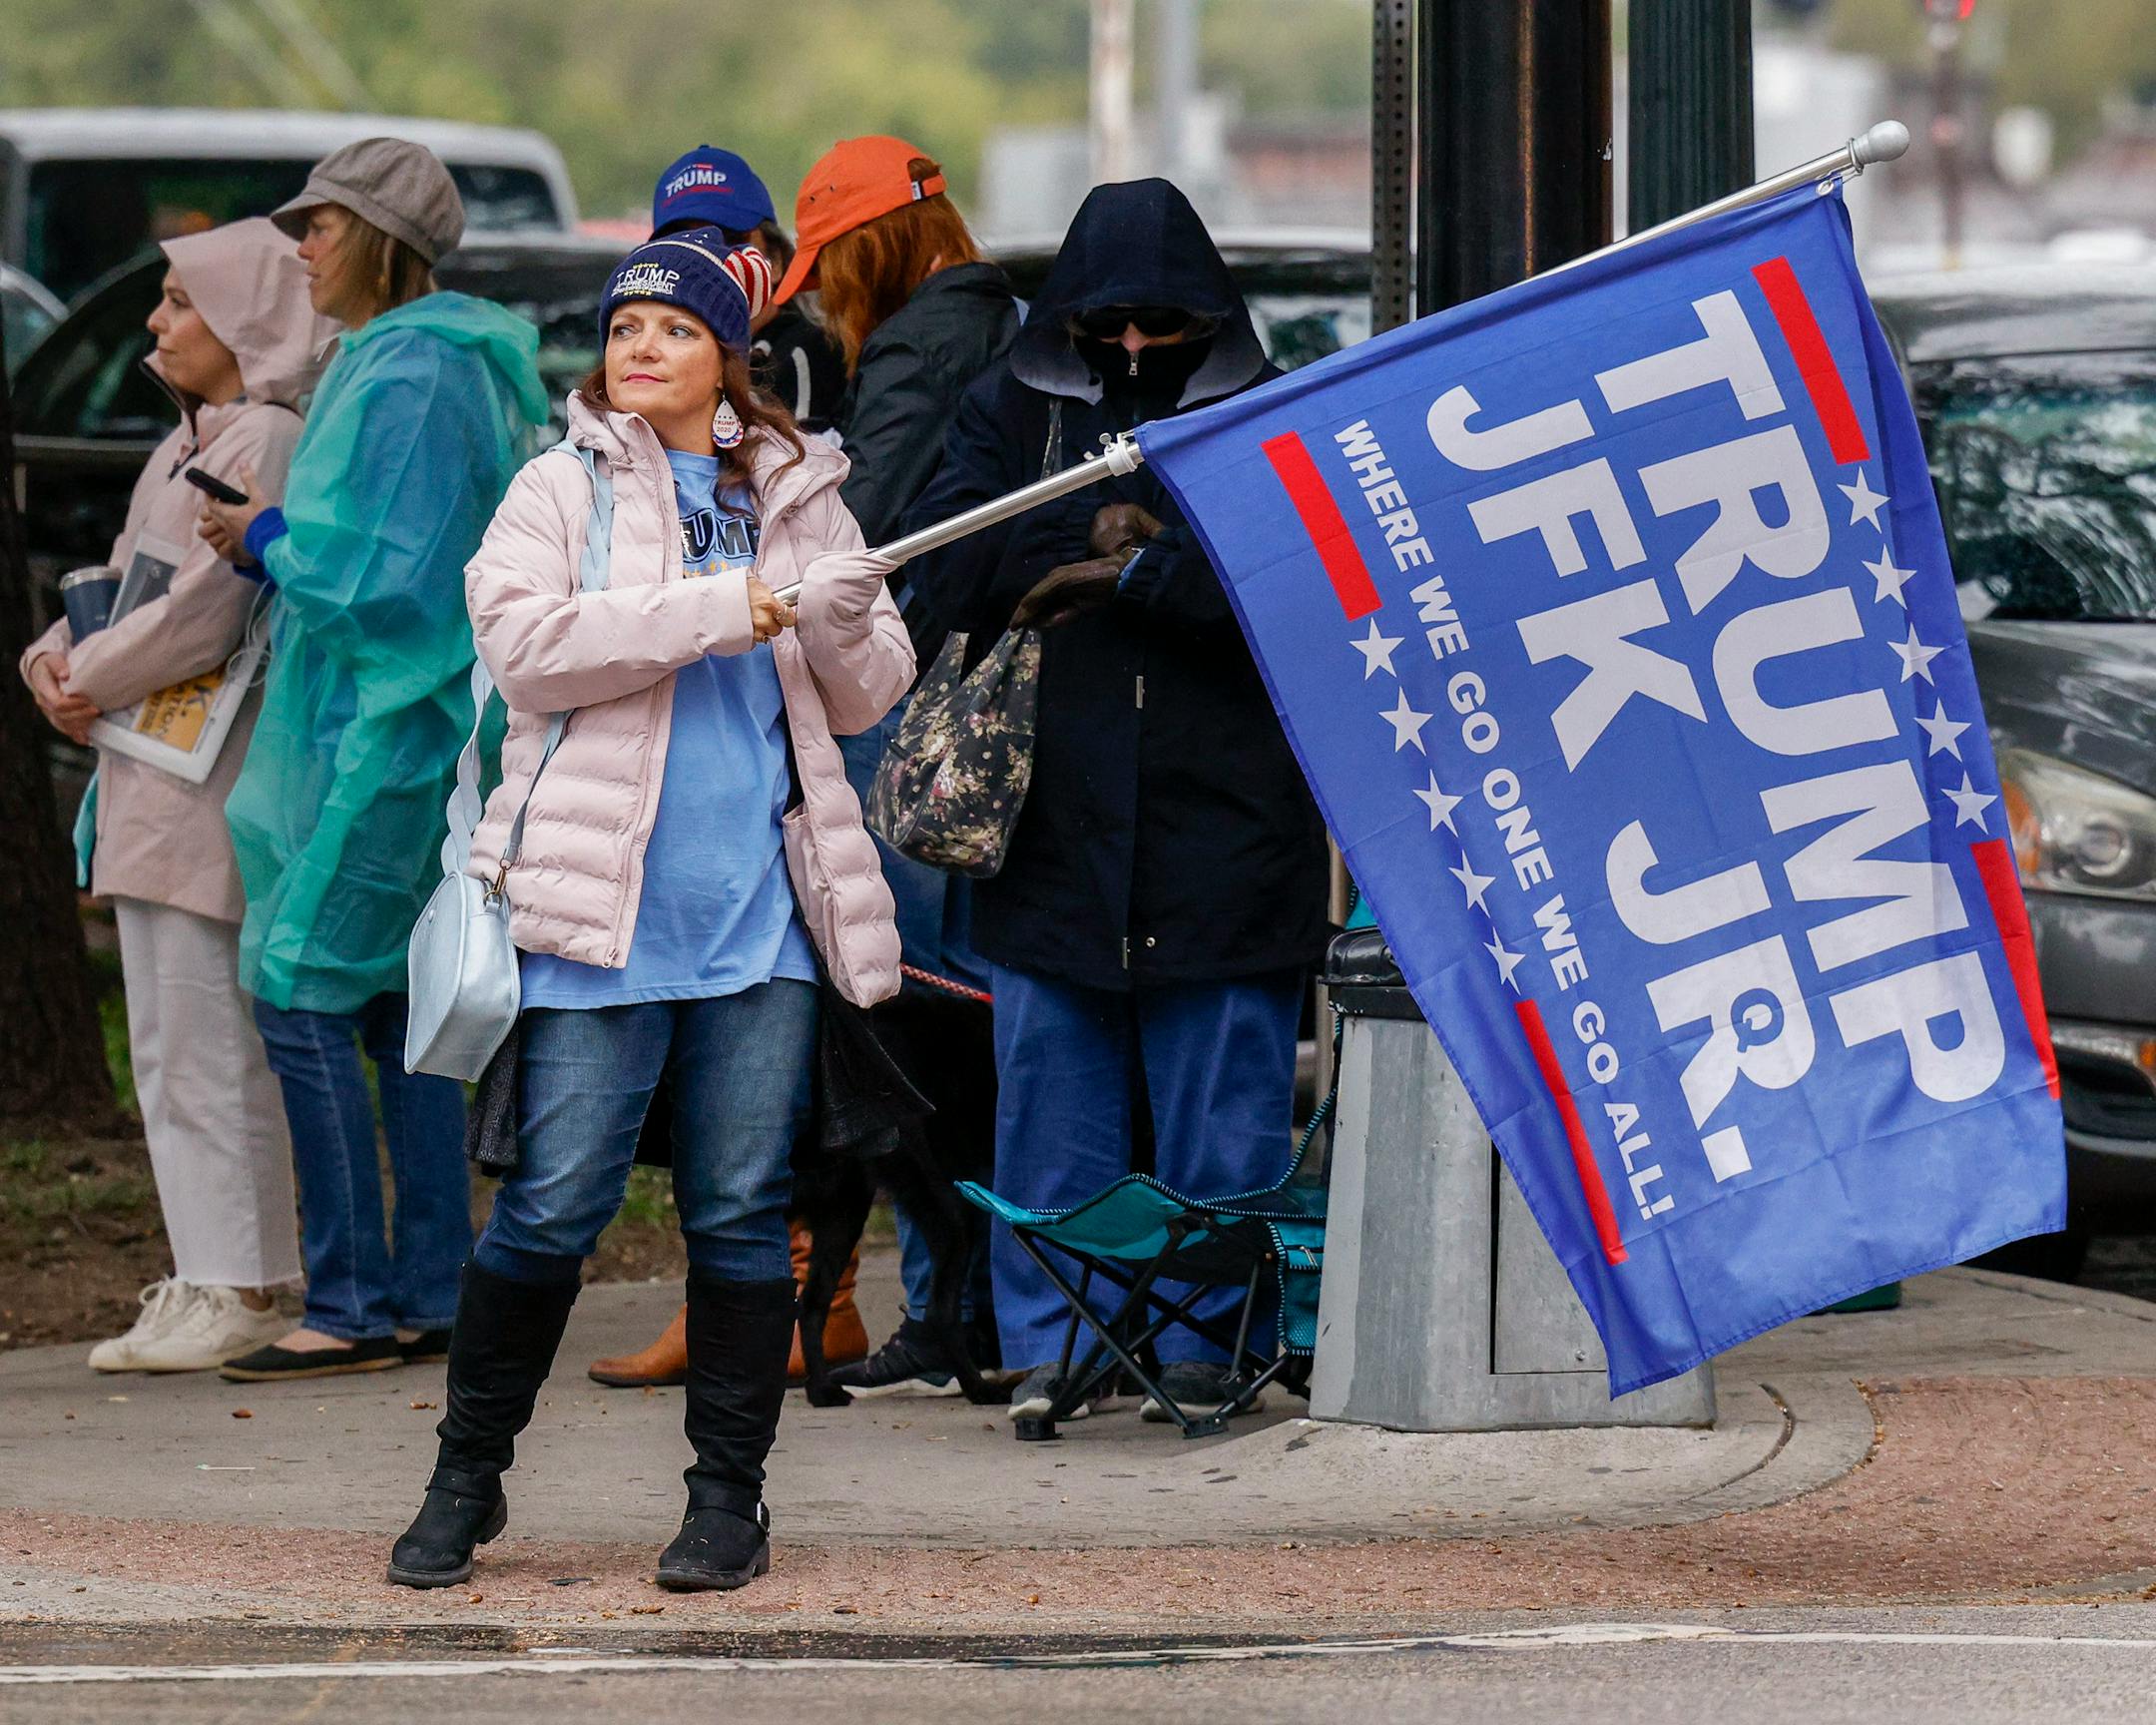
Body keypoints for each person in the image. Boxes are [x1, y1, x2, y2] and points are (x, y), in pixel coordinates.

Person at [384, 230, 912, 1594]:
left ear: (728, 351)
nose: (638, 349)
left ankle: (727, 1502)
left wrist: (842, 618)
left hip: (759, 928)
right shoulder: (553, 488)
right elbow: (530, 653)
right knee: (553, 1207)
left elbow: (868, 695)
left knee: (742, 1214)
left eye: (672, 329)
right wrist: (722, 605)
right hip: (591, 920)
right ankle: (466, 1478)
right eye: (625, 329)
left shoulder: (802, 488)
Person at [588, 137, 1019, 1400]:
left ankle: (877, 1302)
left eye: (781, 261)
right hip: (857, 707)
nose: (800, 290)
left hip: (872, 714)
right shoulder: (947, 333)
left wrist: (758, 567)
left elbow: (852, 536)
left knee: (886, 1020)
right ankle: (852, 1299)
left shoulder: (905, 348)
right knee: (881, 1019)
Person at [902, 180, 1329, 1423]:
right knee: (1054, 1119)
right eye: (1107, 329)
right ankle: (1058, 1346)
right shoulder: (1012, 405)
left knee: (1223, 1125)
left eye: (1161, 327)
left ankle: (1207, 1344)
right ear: (1067, 323)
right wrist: (1113, 545)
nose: (1134, 349)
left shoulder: (1268, 409)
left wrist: (1133, 575)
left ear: (1209, 319)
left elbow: (1297, 590)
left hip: (1228, 832)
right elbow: (943, 556)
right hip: (1053, 830)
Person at [196, 139, 549, 1383]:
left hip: (389, 731)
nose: (301, 247)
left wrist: (269, 532)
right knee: (398, 1004)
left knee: (299, 994)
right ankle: (427, 1292)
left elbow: (385, 576)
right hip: (397, 725)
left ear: (381, 240)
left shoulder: (416, 370)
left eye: (322, 225)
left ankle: (347, 1301)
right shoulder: (421, 359)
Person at [19, 218, 331, 1373]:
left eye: (180, 301)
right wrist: (53, 657)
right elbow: (125, 584)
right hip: (145, 772)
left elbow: (205, 611)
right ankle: (206, 1271)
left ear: (246, 316)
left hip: (209, 780)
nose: (157, 323)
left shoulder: (267, 438)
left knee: (209, 1038)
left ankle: (246, 1279)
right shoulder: (189, 437)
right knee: (165, 1037)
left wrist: (80, 677)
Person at [650, 144, 846, 432]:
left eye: (728, 241)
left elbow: (804, 474)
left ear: (777, 261)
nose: (709, 260)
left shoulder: (803, 355)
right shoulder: (641, 356)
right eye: (683, 246)